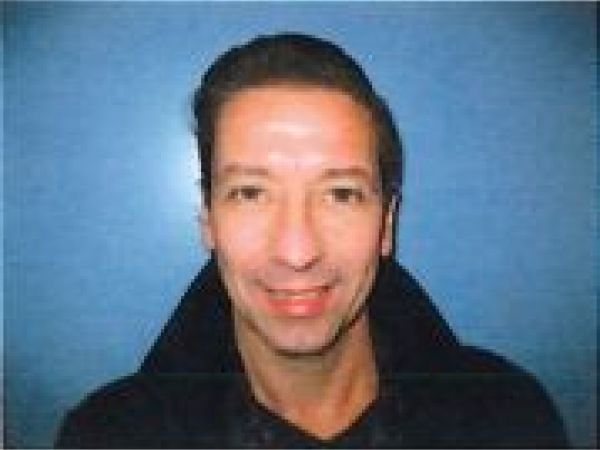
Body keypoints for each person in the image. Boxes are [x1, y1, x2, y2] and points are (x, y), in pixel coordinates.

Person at [56, 33, 568, 448]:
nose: (297, 253)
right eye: (251, 193)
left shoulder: (509, 419)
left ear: (387, 224)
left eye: (340, 194)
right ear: (208, 219)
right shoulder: (106, 437)